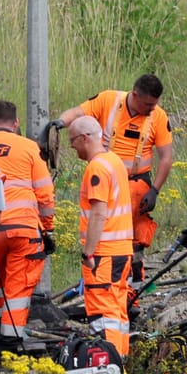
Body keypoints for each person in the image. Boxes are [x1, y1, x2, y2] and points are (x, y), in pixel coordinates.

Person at [58, 74, 174, 283]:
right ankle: (108, 280)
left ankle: (133, 291)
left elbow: (166, 157)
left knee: (137, 241)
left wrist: (155, 190)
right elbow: (76, 113)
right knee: (105, 235)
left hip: (138, 185)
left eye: (155, 104)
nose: (152, 109)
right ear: (135, 95)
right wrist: (57, 124)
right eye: (148, 104)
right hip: (107, 183)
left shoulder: (158, 116)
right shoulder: (108, 101)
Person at [0, 100, 56, 348]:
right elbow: (45, 194)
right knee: (18, 284)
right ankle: (11, 338)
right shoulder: (29, 148)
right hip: (23, 230)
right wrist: (48, 229)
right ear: (16, 123)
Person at [69, 116, 134, 356]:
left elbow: (98, 212)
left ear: (84, 138)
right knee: (117, 313)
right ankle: (121, 362)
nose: (72, 147)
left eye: (72, 141)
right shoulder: (114, 161)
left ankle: (109, 367)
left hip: (103, 254)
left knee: (103, 314)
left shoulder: (96, 167)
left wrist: (89, 251)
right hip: (121, 251)